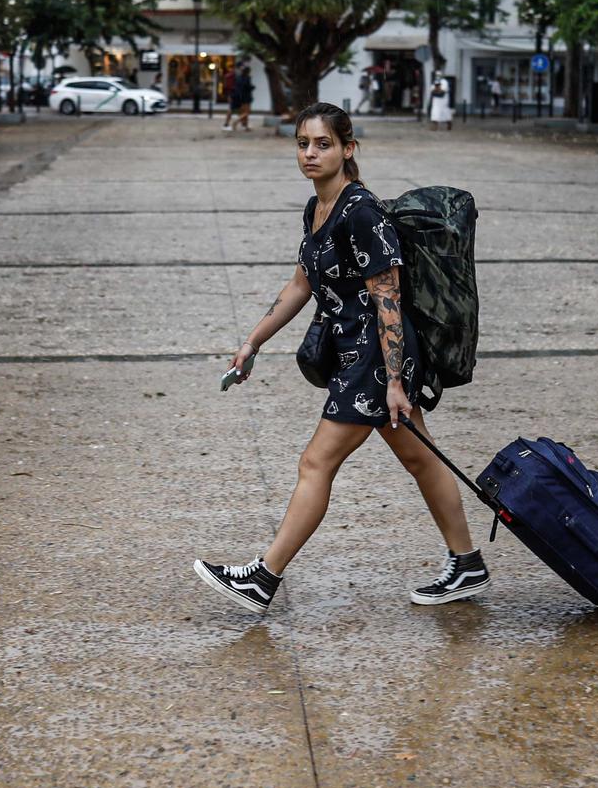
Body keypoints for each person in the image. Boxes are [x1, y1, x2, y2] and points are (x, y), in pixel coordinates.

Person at [194, 103, 485, 614]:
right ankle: (468, 564)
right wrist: (252, 341)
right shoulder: (318, 209)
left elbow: (389, 301)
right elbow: (301, 283)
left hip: (376, 357)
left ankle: (264, 577)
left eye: (323, 144)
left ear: (348, 149)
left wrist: (395, 380)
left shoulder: (362, 213)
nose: (310, 153)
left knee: (316, 461)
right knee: (420, 457)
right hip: (358, 354)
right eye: (303, 143)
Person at [232, 64, 255, 132]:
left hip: (240, 96)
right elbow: (248, 86)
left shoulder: (239, 77)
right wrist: (252, 87)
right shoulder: (247, 78)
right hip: (247, 96)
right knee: (247, 112)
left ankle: (246, 126)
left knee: (244, 111)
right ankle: (236, 121)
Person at [221, 66, 238, 130]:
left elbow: (225, 86)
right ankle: (227, 124)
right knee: (231, 109)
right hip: (233, 94)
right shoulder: (233, 76)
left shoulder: (227, 76)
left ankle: (227, 123)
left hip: (230, 94)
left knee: (232, 108)